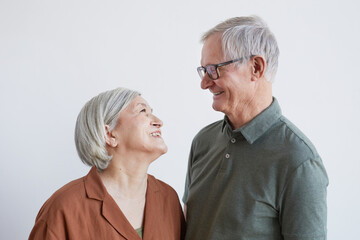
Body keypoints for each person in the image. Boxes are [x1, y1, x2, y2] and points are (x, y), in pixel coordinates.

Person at [183, 16, 328, 240]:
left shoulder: (299, 161)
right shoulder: (203, 141)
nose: (204, 83)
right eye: (203, 70)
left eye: (214, 69)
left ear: (256, 68)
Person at [29, 87, 186, 240]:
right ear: (109, 134)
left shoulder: (168, 198)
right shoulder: (64, 208)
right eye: (142, 111)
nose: (159, 122)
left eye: (152, 112)